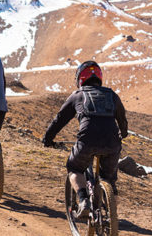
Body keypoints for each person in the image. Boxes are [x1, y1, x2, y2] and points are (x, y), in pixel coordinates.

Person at [42, 60, 128, 218]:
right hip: (112, 142)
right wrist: (124, 133)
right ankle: (111, 216)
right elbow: (122, 119)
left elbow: (59, 119)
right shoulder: (111, 95)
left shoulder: (78, 95)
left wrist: (48, 138)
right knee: (109, 179)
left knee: (74, 168)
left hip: (87, 140)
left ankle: (83, 201)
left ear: (80, 79)